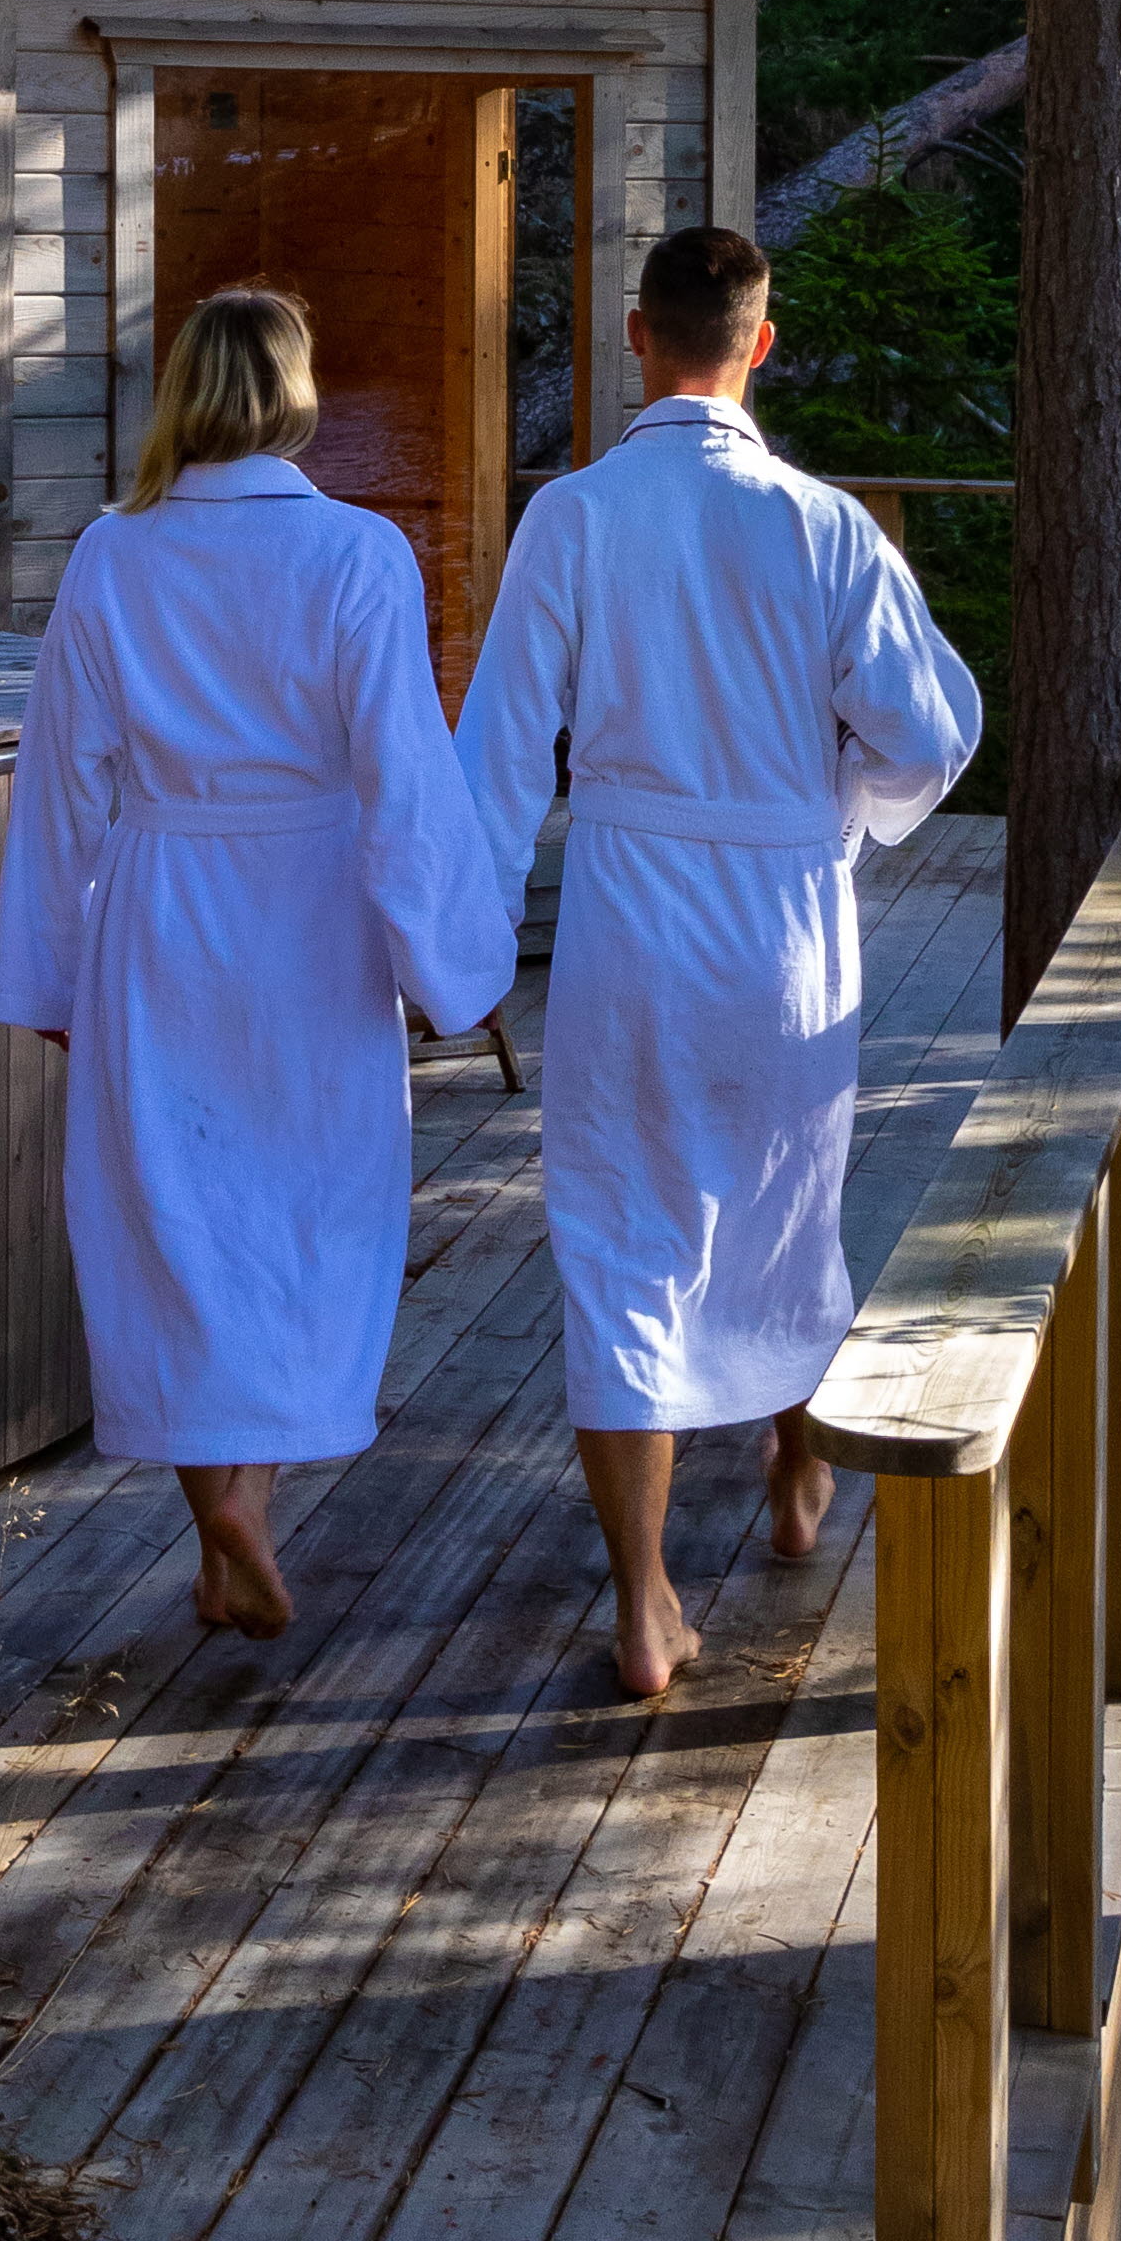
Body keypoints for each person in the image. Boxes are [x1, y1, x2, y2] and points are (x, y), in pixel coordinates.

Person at [456, 224, 981, 1700]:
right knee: (786, 1207)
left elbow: (500, 751)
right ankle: (797, 1471)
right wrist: (850, 815)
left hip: (629, 908)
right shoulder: (824, 527)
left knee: (624, 1241)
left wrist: (463, 943)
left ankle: (645, 1601)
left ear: (637, 338)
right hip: (785, 920)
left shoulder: (573, 515)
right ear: (761, 342)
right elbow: (933, 731)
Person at [0, 284, 515, 1641]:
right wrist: (454, 962)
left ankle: (220, 1518)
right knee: (301, 1207)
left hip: (157, 908)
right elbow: (403, 776)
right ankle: (249, 1515)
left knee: (173, 1208)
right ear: (294, 391)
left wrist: (47, 973)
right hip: (310, 920)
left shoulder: (114, 553)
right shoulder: (358, 555)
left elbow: (61, 782)